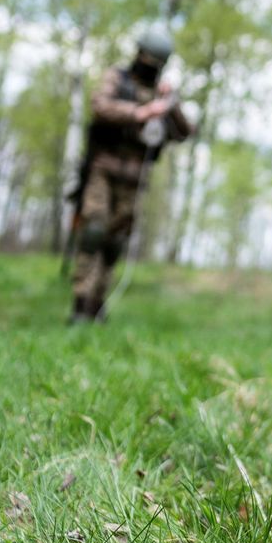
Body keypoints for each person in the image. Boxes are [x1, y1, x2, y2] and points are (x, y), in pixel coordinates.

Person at [68, 30, 193, 324]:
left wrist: (170, 105)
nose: (150, 66)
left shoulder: (163, 94)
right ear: (138, 55)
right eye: (147, 59)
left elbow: (185, 132)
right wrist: (139, 112)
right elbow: (99, 106)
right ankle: (80, 304)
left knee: (114, 241)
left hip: (135, 180)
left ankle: (97, 304)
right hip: (103, 168)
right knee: (94, 229)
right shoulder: (117, 78)